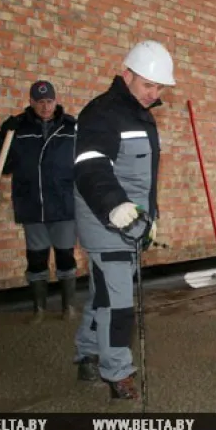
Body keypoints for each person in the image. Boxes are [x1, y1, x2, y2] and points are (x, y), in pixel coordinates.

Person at [71, 40, 175, 399]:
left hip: (133, 220)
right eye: (149, 84)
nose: (154, 93)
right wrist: (115, 205)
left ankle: (86, 351)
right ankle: (117, 373)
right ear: (126, 74)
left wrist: (152, 216)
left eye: (160, 87)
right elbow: (90, 166)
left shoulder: (141, 116)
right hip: (103, 218)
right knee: (119, 300)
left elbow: (143, 175)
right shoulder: (102, 113)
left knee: (106, 290)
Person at [0, 80, 78, 323]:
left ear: (56, 101)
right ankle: (39, 310)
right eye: (40, 102)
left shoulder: (71, 129)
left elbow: (86, 165)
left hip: (63, 204)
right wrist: (3, 133)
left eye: (49, 101)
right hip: (32, 205)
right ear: (31, 102)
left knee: (66, 256)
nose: (45, 107)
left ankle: (69, 307)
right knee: (36, 260)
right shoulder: (19, 130)